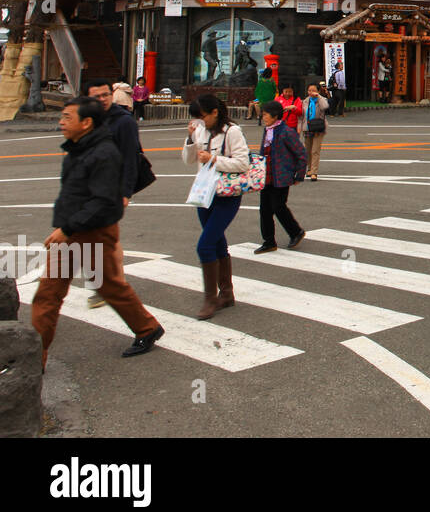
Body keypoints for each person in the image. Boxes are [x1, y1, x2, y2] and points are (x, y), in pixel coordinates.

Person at [30, 98, 164, 366]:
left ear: (86, 122)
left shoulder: (103, 153)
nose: (61, 122)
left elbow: (102, 201)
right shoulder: (79, 149)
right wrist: (64, 226)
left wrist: (66, 229)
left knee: (109, 287)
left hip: (92, 232)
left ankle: (147, 327)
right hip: (73, 230)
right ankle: (33, 357)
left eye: (68, 117)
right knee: (49, 293)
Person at [181, 95, 250, 320]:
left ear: (214, 112)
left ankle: (211, 299)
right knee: (217, 242)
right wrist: (191, 139)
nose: (200, 121)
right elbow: (188, 160)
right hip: (205, 193)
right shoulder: (200, 131)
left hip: (227, 195)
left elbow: (242, 163)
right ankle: (227, 293)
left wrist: (213, 159)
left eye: (202, 117)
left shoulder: (232, 132)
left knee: (205, 245)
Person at [84, 79, 150, 310]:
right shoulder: (87, 118)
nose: (102, 99)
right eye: (96, 96)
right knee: (102, 237)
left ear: (112, 94)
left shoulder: (123, 121)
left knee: (104, 237)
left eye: (105, 95)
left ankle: (107, 285)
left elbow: (131, 158)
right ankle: (110, 283)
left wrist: (125, 192)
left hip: (112, 188)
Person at [253, 99, 308, 254]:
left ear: (275, 115)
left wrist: (299, 175)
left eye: (265, 115)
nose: (263, 117)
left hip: (281, 176)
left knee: (278, 206)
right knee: (264, 210)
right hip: (267, 177)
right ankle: (269, 241)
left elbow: (301, 154)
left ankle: (295, 232)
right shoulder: (268, 130)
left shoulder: (286, 132)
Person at [302, 83, 330, 181]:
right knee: (308, 150)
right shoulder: (305, 101)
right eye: (309, 90)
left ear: (318, 91)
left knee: (315, 150)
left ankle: (314, 172)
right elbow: (302, 116)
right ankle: (309, 169)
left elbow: (325, 107)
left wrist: (318, 97)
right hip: (308, 127)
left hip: (319, 127)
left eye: (313, 90)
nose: (311, 92)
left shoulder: (322, 100)